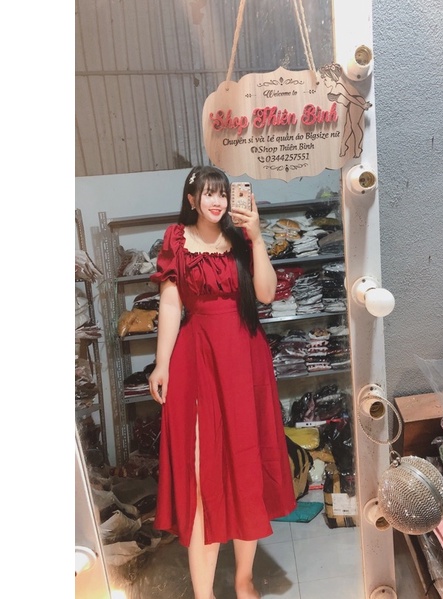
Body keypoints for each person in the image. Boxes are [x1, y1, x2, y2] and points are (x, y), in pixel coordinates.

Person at [148, 165, 297, 599]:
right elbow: (171, 304)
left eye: (223, 194)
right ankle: (204, 592)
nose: (217, 201)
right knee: (201, 473)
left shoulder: (241, 239)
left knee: (246, 466)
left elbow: (266, 294)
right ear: (191, 200)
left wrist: (258, 238)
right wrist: (161, 364)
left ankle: (244, 578)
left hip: (245, 359)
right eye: (208, 194)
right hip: (197, 360)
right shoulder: (177, 239)